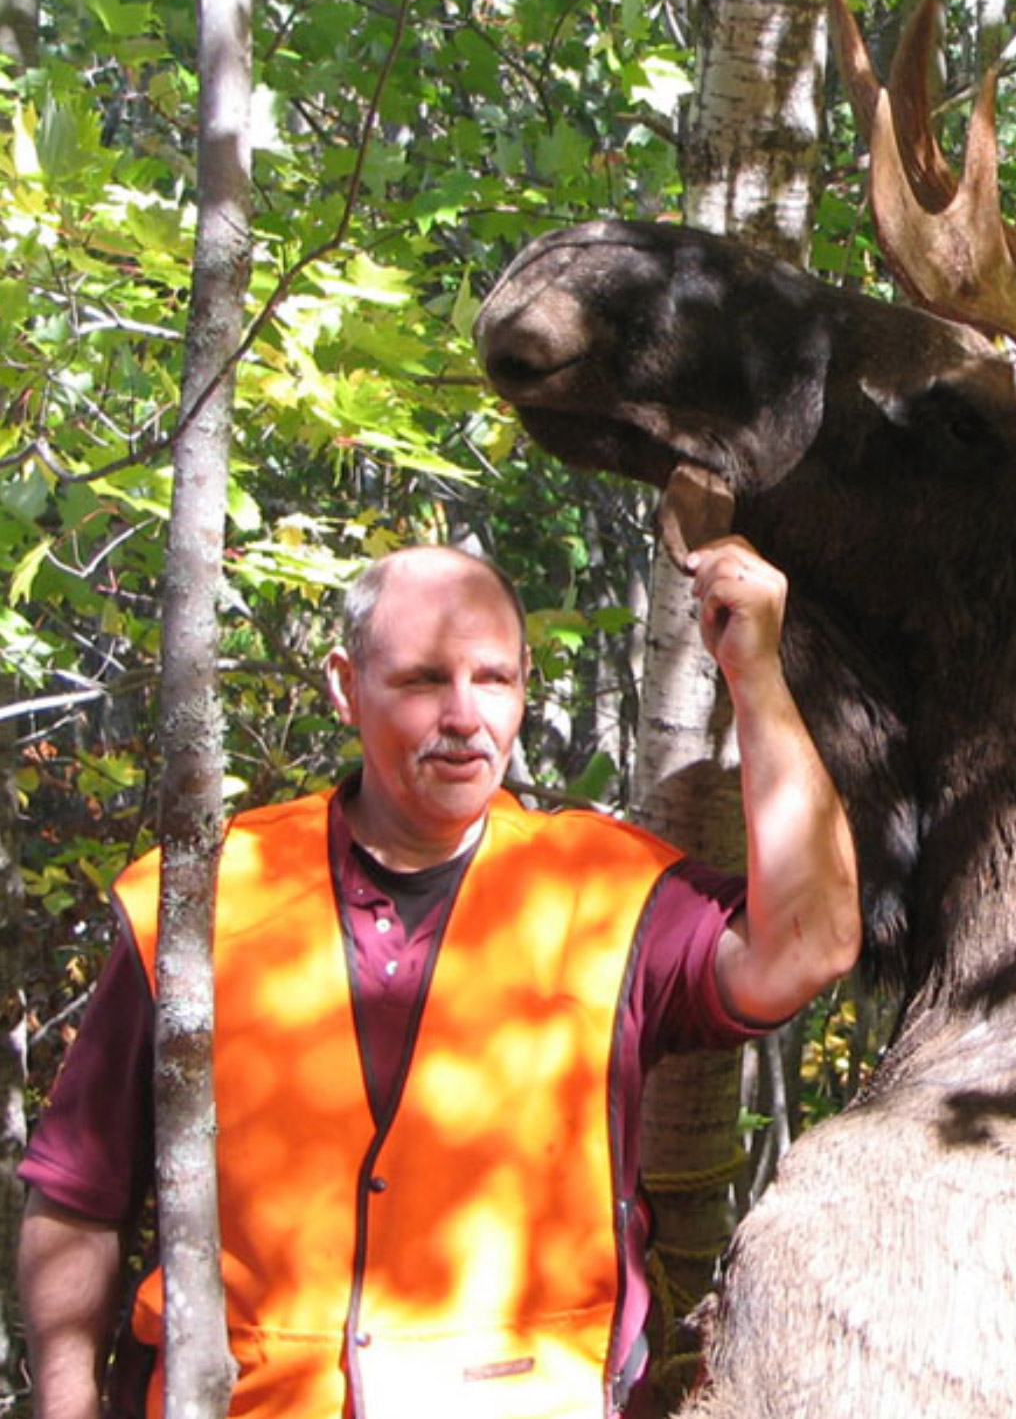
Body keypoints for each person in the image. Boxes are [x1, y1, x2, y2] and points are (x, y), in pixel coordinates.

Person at [17, 540, 861, 1419]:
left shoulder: (606, 892)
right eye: (423, 681)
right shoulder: (203, 892)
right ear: (345, 685)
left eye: (494, 680)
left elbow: (809, 945)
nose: (465, 716)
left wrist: (755, 672)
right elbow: (80, 1192)